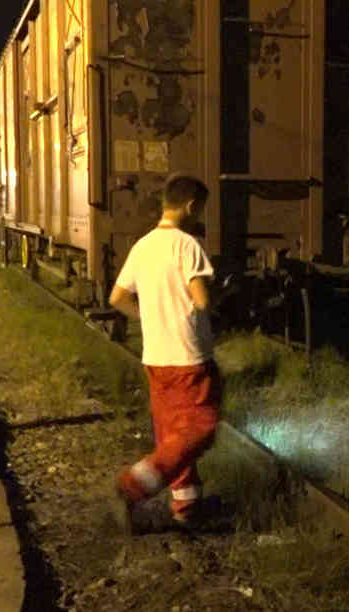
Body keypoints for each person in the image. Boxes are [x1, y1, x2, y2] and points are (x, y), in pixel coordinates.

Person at [108, 172, 221, 532]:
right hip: (187, 354)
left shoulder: (142, 246)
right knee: (202, 426)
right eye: (201, 208)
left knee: (173, 432)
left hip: (155, 356)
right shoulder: (187, 245)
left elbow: (118, 298)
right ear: (191, 206)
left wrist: (150, 316)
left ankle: (186, 506)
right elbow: (201, 299)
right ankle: (132, 486)